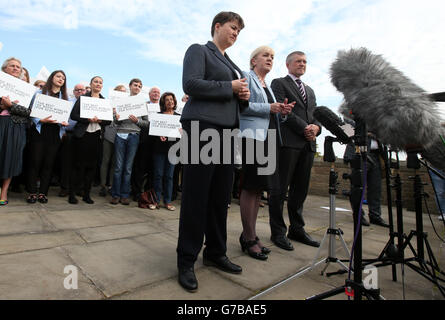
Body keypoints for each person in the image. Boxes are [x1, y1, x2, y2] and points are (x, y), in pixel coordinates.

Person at [176, 11, 250, 292]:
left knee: (220, 197)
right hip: (203, 129)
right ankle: (186, 259)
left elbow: (234, 100)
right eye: (233, 27)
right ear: (217, 26)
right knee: (196, 197)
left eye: (239, 31)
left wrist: (241, 96)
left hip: (228, 133)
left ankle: (216, 251)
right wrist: (229, 87)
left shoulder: (233, 65)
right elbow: (191, 84)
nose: (236, 33)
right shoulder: (199, 51)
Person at [238, 46, 294, 260]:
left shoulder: (268, 86)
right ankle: (249, 238)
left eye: (272, 56)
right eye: (265, 55)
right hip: (252, 137)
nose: (270, 59)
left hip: (269, 139)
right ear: (254, 61)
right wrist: (269, 108)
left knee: (260, 189)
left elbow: (272, 114)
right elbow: (242, 106)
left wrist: (283, 112)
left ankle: (249, 235)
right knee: (251, 186)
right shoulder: (246, 77)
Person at [269, 51, 322, 250]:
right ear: (288, 64)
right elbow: (285, 110)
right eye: (299, 61)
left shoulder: (310, 90)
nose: (302, 64)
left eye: (305, 62)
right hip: (289, 143)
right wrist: (304, 128)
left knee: (300, 190)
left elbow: (314, 114)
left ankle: (297, 229)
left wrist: (316, 127)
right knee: (279, 189)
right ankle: (278, 232)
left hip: (307, 145)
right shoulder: (279, 83)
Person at [26, 70, 69, 203]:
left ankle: (43, 193)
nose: (61, 79)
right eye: (58, 76)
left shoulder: (65, 98)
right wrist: (41, 120)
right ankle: (32, 192)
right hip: (40, 131)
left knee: (48, 164)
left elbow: (65, 117)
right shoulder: (39, 93)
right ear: (52, 78)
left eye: (63, 78)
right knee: (35, 162)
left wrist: (64, 123)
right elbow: (31, 112)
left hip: (55, 133)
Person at [69, 76, 110, 204]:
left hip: (96, 136)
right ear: (91, 84)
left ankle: (87, 194)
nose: (98, 84)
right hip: (82, 135)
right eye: (95, 82)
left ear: (102, 86)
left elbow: (108, 121)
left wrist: (100, 120)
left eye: (100, 82)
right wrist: (87, 119)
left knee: (91, 167)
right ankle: (72, 194)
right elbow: (73, 115)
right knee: (78, 166)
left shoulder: (105, 101)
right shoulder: (83, 98)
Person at [110, 78, 148, 205]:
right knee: (118, 167)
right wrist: (117, 117)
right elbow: (115, 121)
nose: (137, 87)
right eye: (135, 85)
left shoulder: (142, 104)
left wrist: (137, 121)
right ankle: (115, 195)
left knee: (128, 168)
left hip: (134, 136)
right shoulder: (122, 101)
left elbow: (147, 123)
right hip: (120, 134)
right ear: (130, 86)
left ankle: (125, 195)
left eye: (139, 86)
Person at [0, 57, 31, 205]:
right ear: (5, 68)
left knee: (10, 158)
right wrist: (2, 106)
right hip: (1, 122)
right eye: (12, 66)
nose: (15, 68)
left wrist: (11, 106)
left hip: (16, 127)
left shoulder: (25, 89)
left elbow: (28, 111)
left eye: (18, 67)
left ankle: (4, 192)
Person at [343, 132, 389, 227]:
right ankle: (358, 215)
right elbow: (347, 127)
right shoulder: (355, 117)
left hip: (377, 155)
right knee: (357, 187)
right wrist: (366, 132)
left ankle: (375, 215)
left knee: (376, 188)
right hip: (360, 152)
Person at [131, 86, 161, 200]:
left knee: (153, 170)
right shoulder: (143, 106)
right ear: (149, 94)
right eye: (153, 92)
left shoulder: (162, 107)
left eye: (158, 92)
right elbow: (139, 122)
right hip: (144, 140)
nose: (156, 94)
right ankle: (136, 192)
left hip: (157, 142)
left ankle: (149, 193)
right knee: (140, 168)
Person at [151, 92, 180, 211]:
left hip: (173, 150)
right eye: (167, 100)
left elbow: (181, 134)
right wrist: (159, 135)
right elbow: (152, 132)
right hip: (159, 149)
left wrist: (181, 131)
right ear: (163, 102)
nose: (170, 102)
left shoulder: (179, 117)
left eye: (172, 100)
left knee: (169, 176)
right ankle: (156, 200)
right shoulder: (158, 115)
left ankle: (167, 201)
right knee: (158, 175)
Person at [58, 83, 86, 197]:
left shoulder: (90, 103)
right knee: (67, 162)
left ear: (85, 91)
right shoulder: (68, 102)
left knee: (81, 163)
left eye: (82, 90)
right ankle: (65, 187)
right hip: (69, 134)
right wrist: (63, 131)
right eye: (77, 90)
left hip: (84, 136)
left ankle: (79, 188)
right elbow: (61, 117)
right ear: (74, 92)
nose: (80, 92)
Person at [99, 84, 126, 197]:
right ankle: (103, 186)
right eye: (120, 91)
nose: (122, 93)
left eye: (124, 92)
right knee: (106, 160)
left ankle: (111, 185)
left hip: (121, 135)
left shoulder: (127, 105)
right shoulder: (108, 103)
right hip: (109, 134)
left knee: (116, 163)